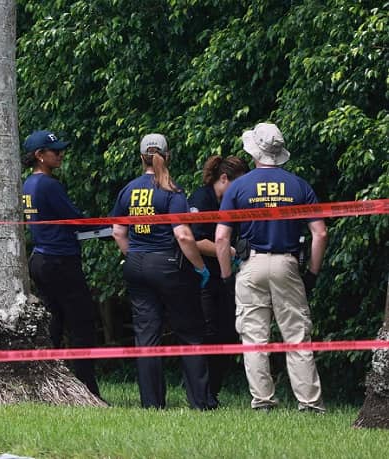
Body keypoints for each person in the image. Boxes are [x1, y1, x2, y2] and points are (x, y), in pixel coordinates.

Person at [215, 122, 327, 413]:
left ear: (254, 151)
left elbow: (221, 237)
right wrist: (312, 273)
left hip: (250, 264)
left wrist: (227, 275)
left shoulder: (238, 186)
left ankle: (263, 402)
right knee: (297, 335)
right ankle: (310, 403)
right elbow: (320, 233)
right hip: (287, 264)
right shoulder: (299, 185)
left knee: (254, 336)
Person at [111, 133, 215, 410]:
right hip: (168, 265)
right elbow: (183, 236)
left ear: (140, 157)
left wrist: (134, 254)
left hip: (136, 264)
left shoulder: (128, 190)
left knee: (146, 335)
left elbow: (118, 231)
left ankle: (152, 404)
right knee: (189, 331)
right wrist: (200, 267)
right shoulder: (172, 192)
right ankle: (201, 401)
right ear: (168, 156)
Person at [21, 130, 102, 399]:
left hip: (41, 259)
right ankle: (88, 389)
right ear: (39, 156)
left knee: (54, 322)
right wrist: (108, 225)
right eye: (55, 151)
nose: (60, 155)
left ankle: (50, 385)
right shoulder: (48, 185)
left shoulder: (28, 185)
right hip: (61, 260)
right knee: (81, 323)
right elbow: (73, 218)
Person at [188, 155, 249, 403]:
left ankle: (213, 391)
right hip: (203, 277)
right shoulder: (201, 199)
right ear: (224, 179)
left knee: (227, 332)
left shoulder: (233, 201)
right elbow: (193, 239)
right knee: (210, 333)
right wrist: (228, 251)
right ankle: (202, 394)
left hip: (225, 276)